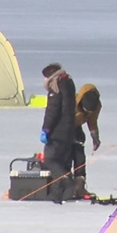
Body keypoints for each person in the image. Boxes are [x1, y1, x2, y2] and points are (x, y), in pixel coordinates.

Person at [40, 62, 77, 204]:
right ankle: (58, 194)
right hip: (69, 129)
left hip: (58, 130)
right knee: (61, 160)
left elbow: (53, 110)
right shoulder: (68, 82)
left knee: (50, 160)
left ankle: (66, 179)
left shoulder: (55, 85)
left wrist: (46, 128)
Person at [70, 84, 102, 198]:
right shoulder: (71, 101)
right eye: (85, 110)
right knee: (66, 156)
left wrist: (95, 137)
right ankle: (65, 187)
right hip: (63, 128)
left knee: (80, 157)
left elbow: (92, 121)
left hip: (77, 128)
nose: (87, 113)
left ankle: (79, 186)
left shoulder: (96, 105)